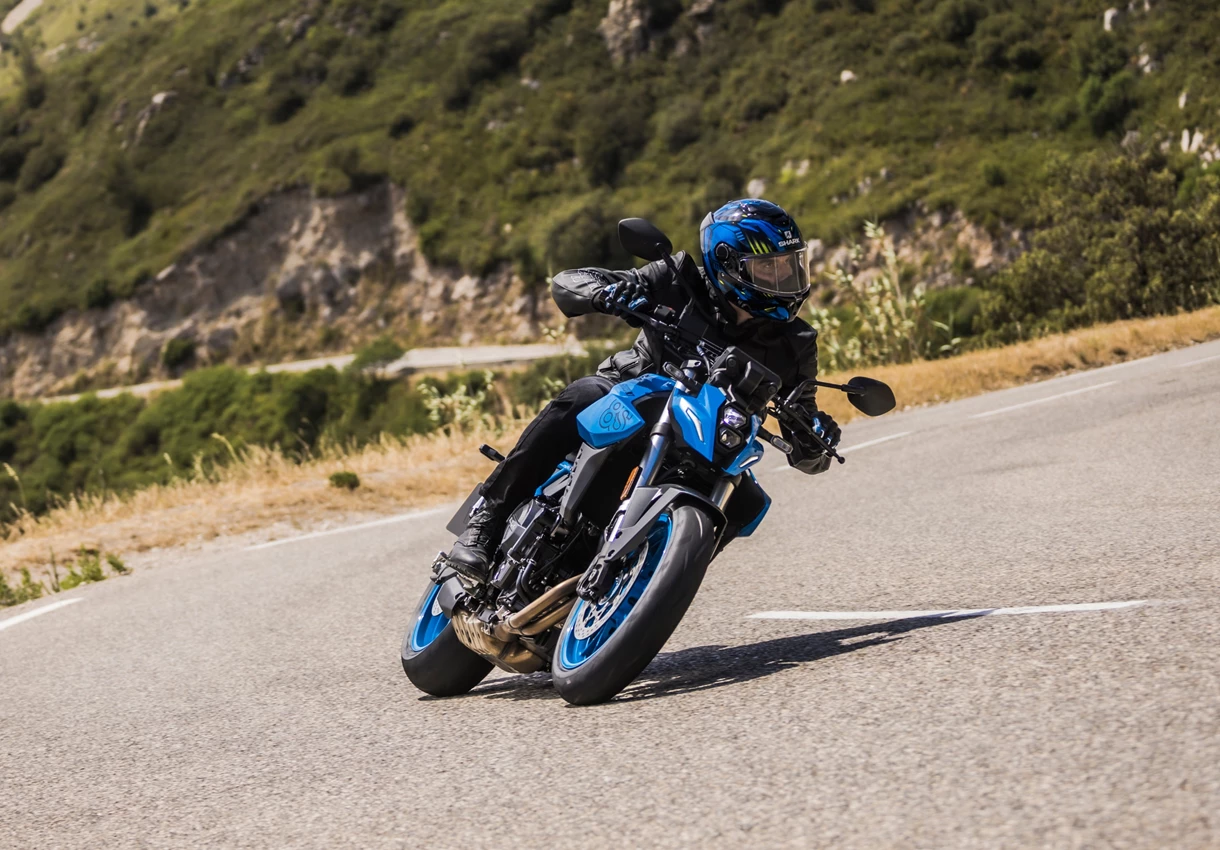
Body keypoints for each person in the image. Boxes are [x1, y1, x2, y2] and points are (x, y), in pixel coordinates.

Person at [446, 198, 842, 581]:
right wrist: (606, 293)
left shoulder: (796, 343)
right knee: (585, 394)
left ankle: (651, 583)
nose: (784, 280)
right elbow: (568, 282)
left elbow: (804, 433)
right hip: (629, 394)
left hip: (705, 442)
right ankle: (488, 518)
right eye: (769, 269)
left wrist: (814, 437)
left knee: (748, 503)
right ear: (726, 265)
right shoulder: (678, 278)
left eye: (790, 267)